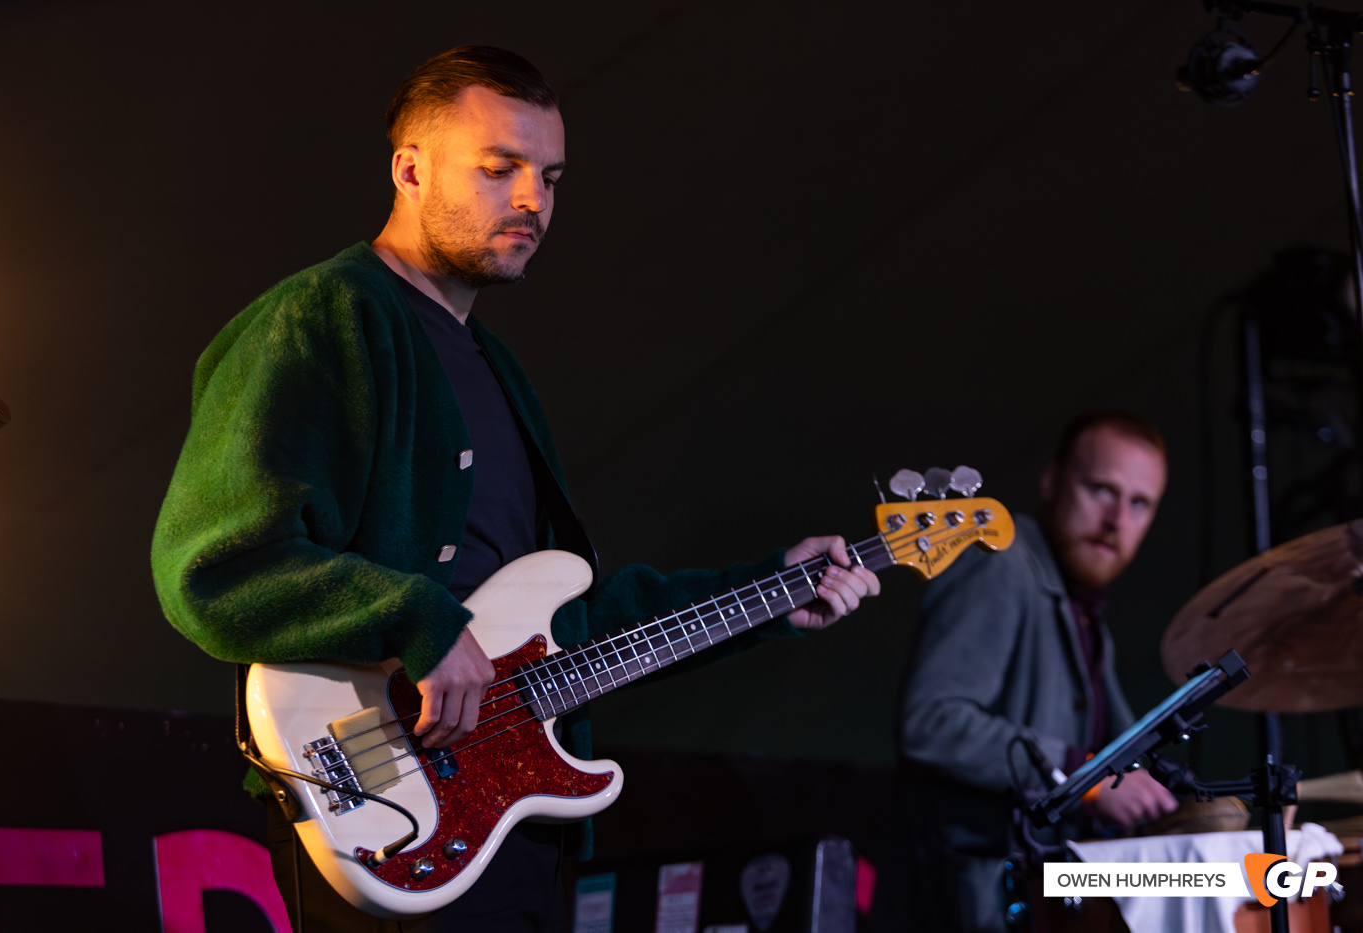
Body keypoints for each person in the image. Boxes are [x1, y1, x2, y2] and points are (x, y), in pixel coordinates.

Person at [150, 46, 880, 933]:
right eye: (500, 169)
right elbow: (217, 565)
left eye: (550, 176)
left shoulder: (500, 370)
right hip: (389, 813)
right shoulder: (325, 317)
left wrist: (769, 588)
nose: (534, 199)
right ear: (408, 170)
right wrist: (421, 621)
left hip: (506, 827)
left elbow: (565, 629)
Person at [886, 410, 1177, 933]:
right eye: (1101, 490)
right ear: (1052, 481)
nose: (1117, 520)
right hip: (975, 898)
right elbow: (930, 723)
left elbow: (1121, 748)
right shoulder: (1002, 559)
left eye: (1140, 504)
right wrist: (1084, 778)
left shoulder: (1081, 609)